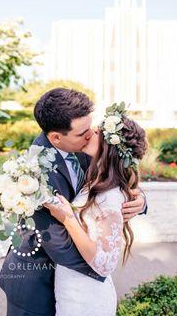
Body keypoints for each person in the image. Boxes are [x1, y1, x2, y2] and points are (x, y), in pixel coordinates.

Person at [0, 88, 147, 316]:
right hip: (36, 283)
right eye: (83, 133)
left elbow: (117, 171)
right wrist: (99, 267)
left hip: (74, 285)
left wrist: (140, 200)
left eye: (91, 128)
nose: (93, 135)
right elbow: (55, 240)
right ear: (56, 137)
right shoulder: (33, 173)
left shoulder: (87, 146)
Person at [44, 101, 148, 316]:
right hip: (68, 286)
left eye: (98, 131)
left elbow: (105, 264)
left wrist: (69, 220)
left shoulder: (109, 195)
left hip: (85, 295)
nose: (91, 132)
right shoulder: (96, 174)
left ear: (110, 147)